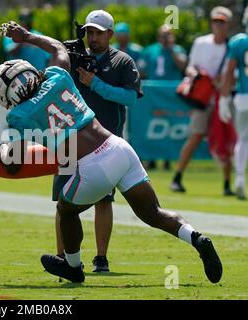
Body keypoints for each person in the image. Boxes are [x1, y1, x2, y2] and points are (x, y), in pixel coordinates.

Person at [0, 20, 222, 284]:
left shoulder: (19, 114)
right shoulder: (57, 76)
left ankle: (73, 267)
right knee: (153, 213)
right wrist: (26, 35)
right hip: (120, 148)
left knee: (66, 210)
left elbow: (14, 164)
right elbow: (57, 49)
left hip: (92, 164)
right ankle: (197, 238)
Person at [53, 10, 143, 273]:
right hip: (70, 139)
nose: (92, 38)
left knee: (104, 200)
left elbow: (129, 97)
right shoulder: (74, 58)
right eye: (89, 32)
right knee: (62, 199)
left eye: (98, 33)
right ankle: (63, 258)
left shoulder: (122, 62)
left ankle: (101, 257)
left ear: (110, 35)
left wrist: (95, 83)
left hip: (106, 143)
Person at [170, 6, 234, 195]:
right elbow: (191, 67)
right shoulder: (201, 42)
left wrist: (219, 82)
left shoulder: (231, 47)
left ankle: (227, 184)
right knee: (196, 135)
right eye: (215, 21)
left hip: (222, 98)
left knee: (225, 140)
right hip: (203, 98)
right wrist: (199, 76)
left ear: (227, 24)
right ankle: (177, 177)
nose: (218, 25)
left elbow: (233, 75)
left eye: (222, 22)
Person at [139, 24, 187, 170]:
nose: (165, 39)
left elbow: (183, 66)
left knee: (170, 125)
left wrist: (171, 49)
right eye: (162, 36)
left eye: (167, 35)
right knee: (152, 125)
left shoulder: (178, 50)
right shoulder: (150, 51)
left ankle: (168, 158)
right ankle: (151, 158)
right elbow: (140, 70)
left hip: (172, 96)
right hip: (153, 96)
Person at [218, 7, 248, 200]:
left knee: (243, 139)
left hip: (243, 97)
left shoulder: (239, 41)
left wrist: (224, 97)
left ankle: (239, 177)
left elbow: (229, 72)